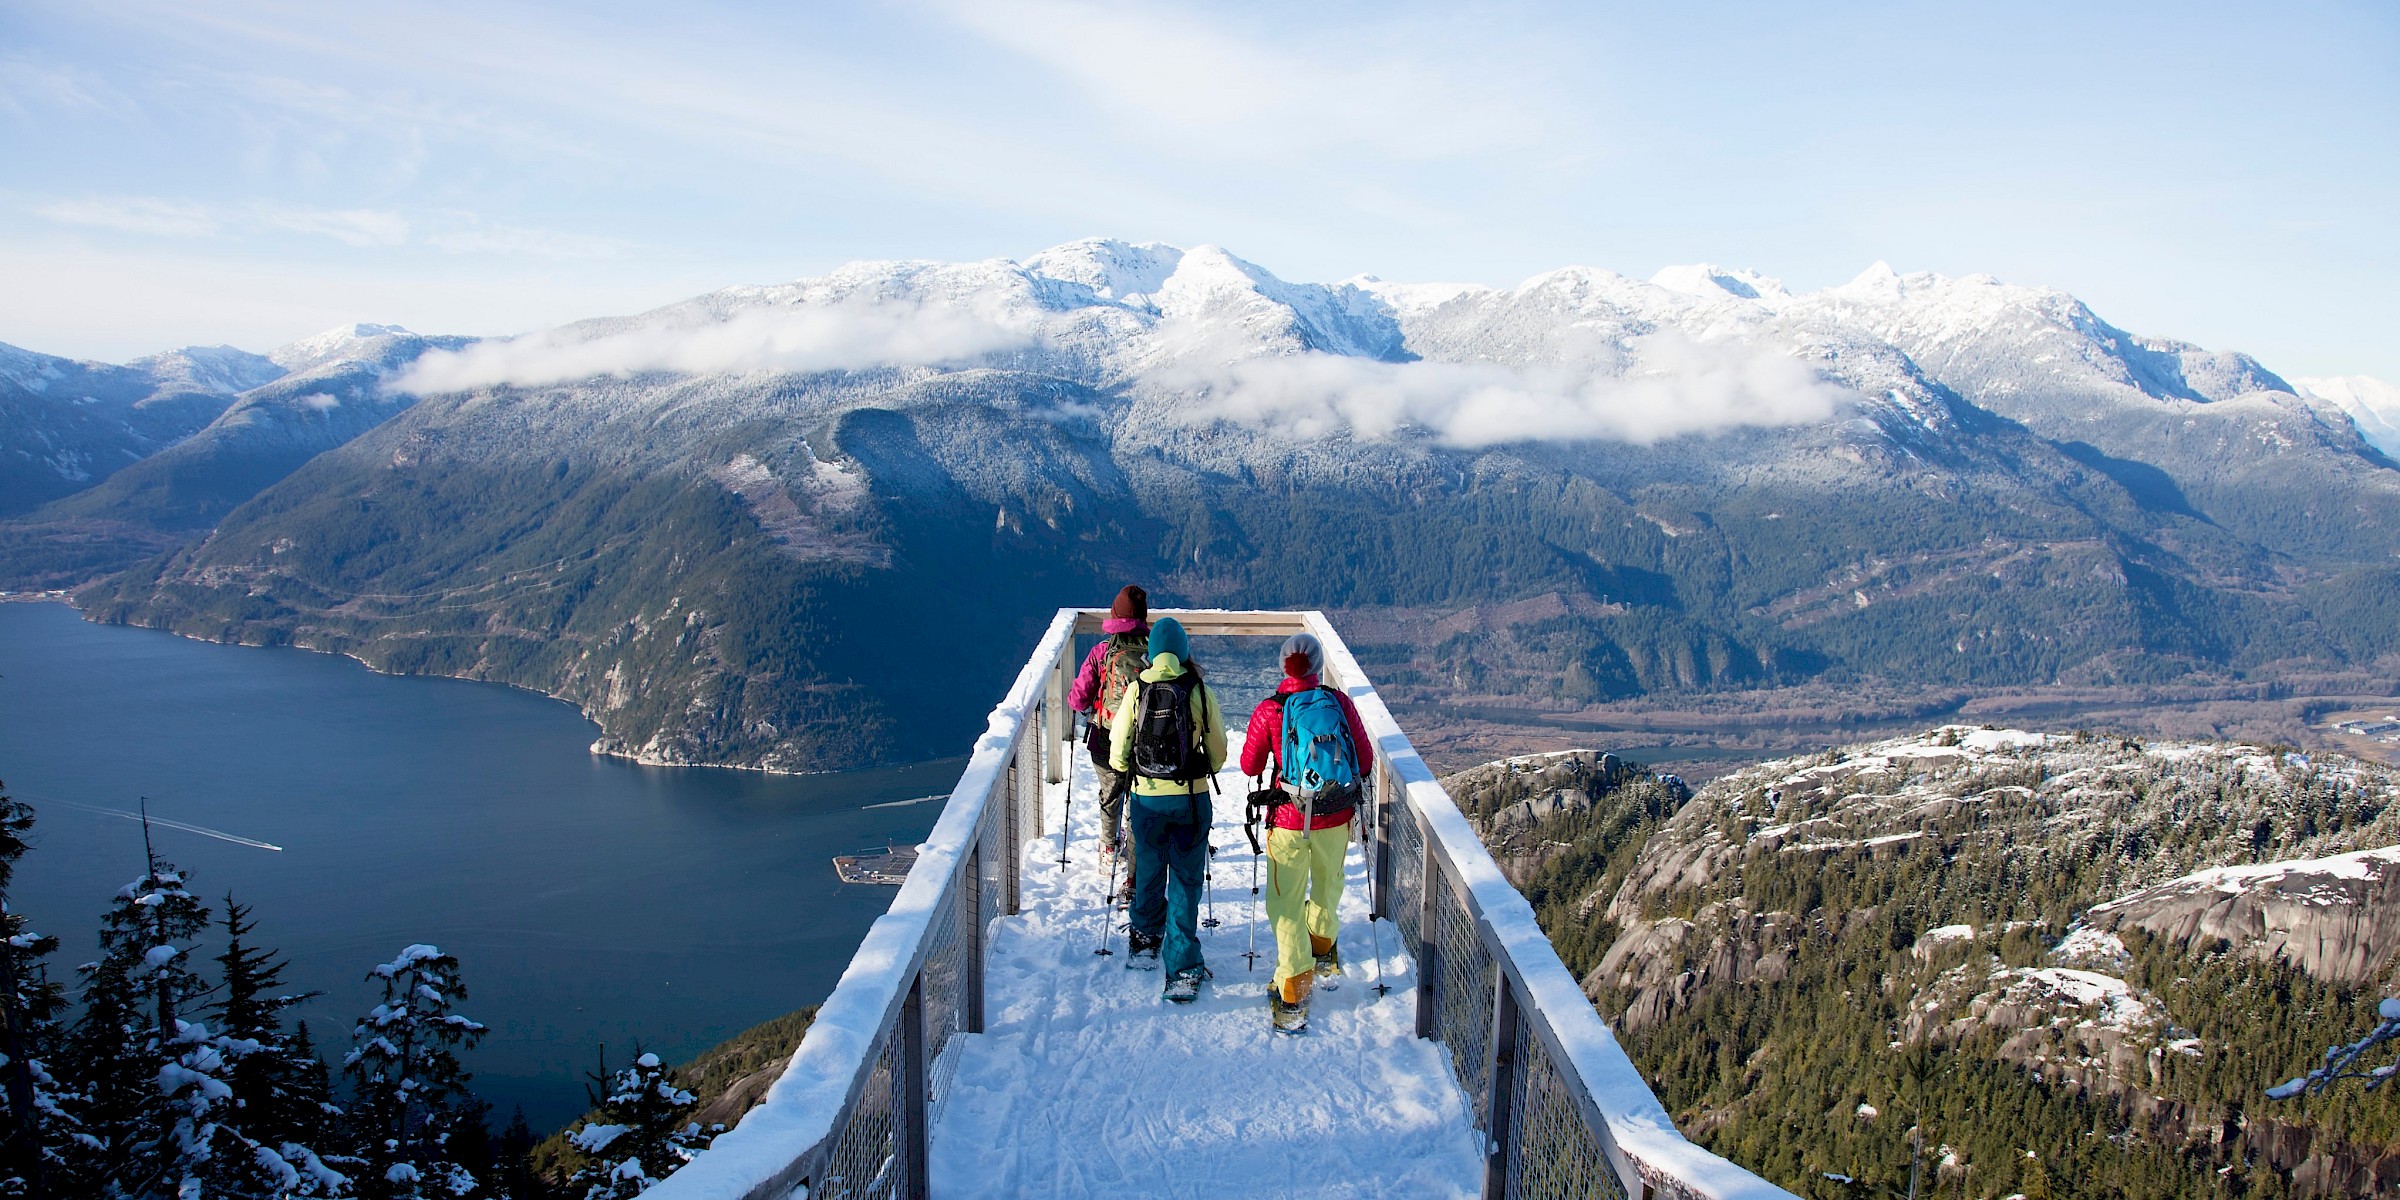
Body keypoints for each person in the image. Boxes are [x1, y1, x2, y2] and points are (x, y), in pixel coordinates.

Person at [1239, 632, 1373, 1033]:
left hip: (1288, 819)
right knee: (1329, 883)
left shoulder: (1270, 709)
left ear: (1283, 666)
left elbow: (1249, 766)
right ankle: (1322, 948)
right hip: (1336, 814)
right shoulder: (1339, 703)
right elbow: (1364, 760)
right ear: (1318, 666)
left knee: (1284, 903)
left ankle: (1294, 987)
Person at [1107, 616, 1226, 1003]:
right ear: (1184, 651)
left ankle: (1144, 944)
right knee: (1186, 881)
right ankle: (1183, 969)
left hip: (1146, 800)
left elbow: (1118, 749)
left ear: (1153, 650)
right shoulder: (1198, 690)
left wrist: (1129, 772)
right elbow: (1219, 752)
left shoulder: (1136, 689)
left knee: (1149, 869)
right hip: (1190, 798)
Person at [1069, 584, 1150, 897]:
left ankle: (1107, 850)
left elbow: (1079, 699)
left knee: (1110, 794)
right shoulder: (1154, 653)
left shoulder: (1102, 652)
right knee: (1137, 801)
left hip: (1105, 739)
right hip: (1145, 742)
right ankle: (1134, 862)